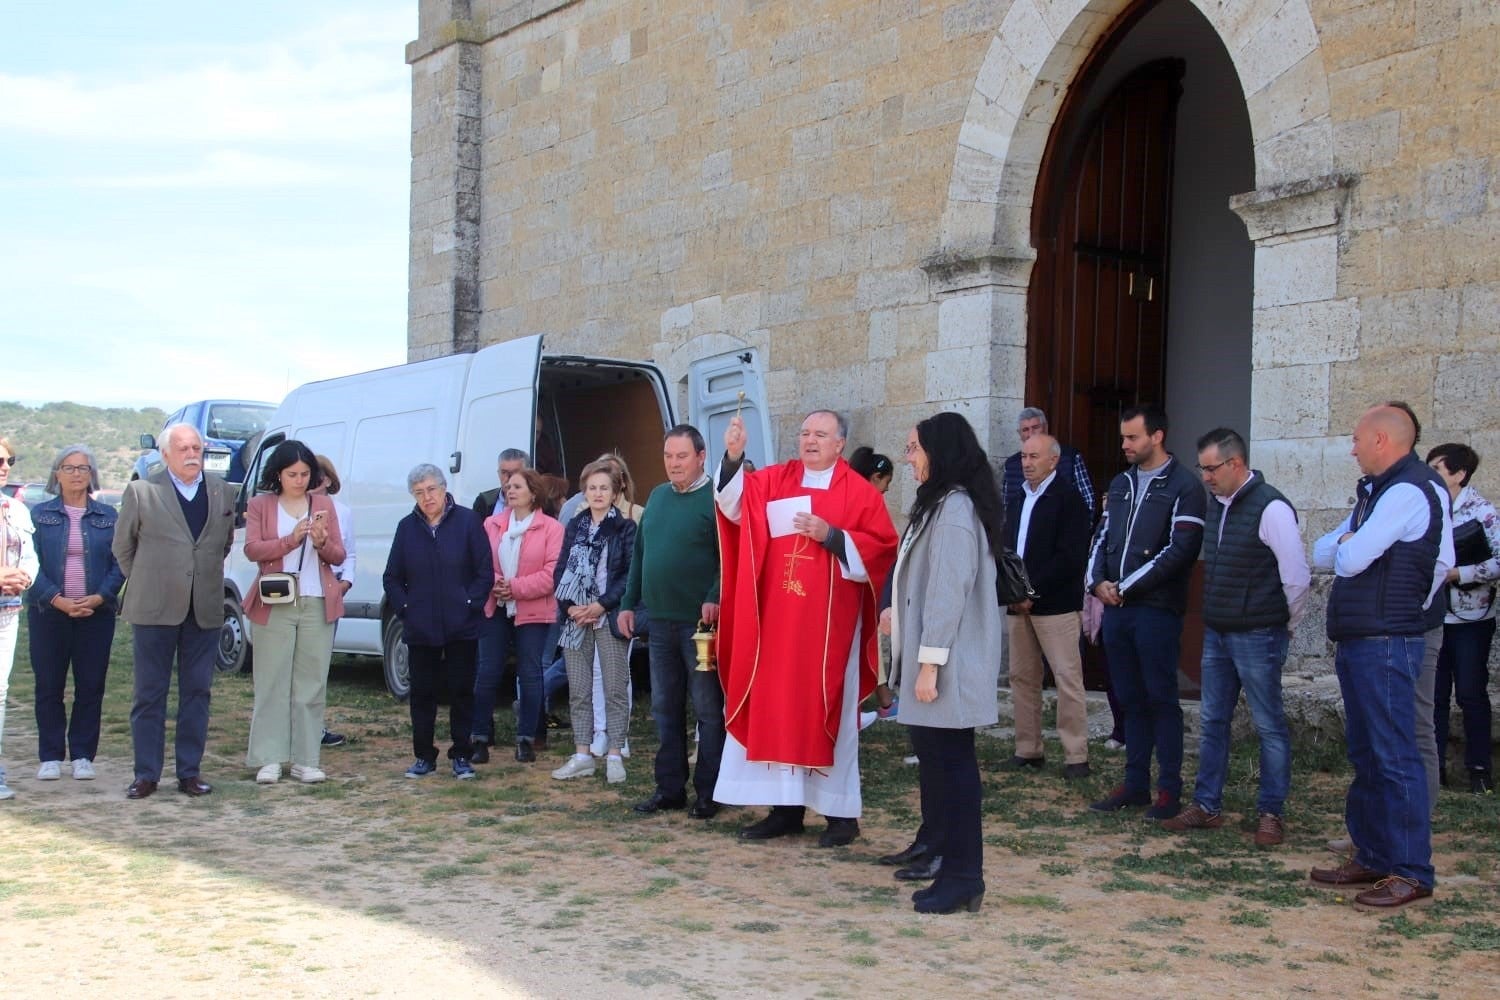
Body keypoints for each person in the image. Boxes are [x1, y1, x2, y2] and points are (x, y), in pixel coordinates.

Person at [714, 410, 897, 846]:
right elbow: (734, 505)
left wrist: (832, 535)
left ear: (840, 444)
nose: (809, 440)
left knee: (826, 711)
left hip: (829, 632)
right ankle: (786, 810)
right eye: (804, 433)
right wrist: (734, 457)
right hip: (778, 626)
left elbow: (882, 549)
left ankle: (840, 816)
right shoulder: (777, 479)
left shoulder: (859, 492)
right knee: (779, 711)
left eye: (820, 434)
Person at [1309, 405, 1443, 909]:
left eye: (1357, 439)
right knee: (1367, 754)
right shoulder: (1377, 493)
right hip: (1363, 637)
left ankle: (1412, 871)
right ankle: (1374, 856)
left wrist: (1350, 543)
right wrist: (1349, 541)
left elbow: (1348, 557)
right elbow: (1323, 551)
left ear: (1382, 440)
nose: (1352, 448)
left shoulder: (1408, 491)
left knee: (1394, 756)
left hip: (1388, 638)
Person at [1163, 429, 1309, 847]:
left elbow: (1296, 579)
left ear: (1236, 464)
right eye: (1201, 468)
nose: (1205, 477)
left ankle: (1271, 813)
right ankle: (1207, 806)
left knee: (1268, 725)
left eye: (1211, 468)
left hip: (1258, 634)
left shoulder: (1271, 507)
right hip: (1219, 632)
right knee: (1212, 721)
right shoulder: (1219, 505)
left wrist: (1285, 626)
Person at [882, 412, 1003, 914]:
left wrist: (928, 665)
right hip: (934, 659)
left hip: (944, 664)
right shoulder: (941, 504)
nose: (908, 458)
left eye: (915, 449)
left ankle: (963, 876)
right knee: (942, 768)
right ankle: (954, 871)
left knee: (953, 771)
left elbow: (948, 591)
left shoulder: (953, 508)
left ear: (940, 449)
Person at [1086, 404, 1204, 819]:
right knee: (1129, 698)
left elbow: (1181, 550)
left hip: (1156, 610)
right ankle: (1135, 783)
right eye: (1123, 438)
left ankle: (1168, 789)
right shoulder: (1119, 484)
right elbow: (1101, 536)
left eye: (1133, 437)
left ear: (1157, 436)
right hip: (1117, 609)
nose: (1125, 445)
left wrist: (1125, 587)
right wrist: (1096, 583)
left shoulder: (1185, 486)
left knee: (1160, 699)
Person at [113, 424, 236, 799]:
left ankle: (189, 773)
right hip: (154, 609)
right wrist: (150, 581)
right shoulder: (142, 490)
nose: (191, 453)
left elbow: (223, 545)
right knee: (150, 693)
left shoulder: (222, 491)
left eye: (196, 447)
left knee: (197, 692)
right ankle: (147, 774)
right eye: (182, 447)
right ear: (165, 454)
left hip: (204, 608)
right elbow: (123, 547)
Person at [620, 425, 725, 818]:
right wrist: (629, 603)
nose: (674, 464)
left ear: (701, 457)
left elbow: (727, 557)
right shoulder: (658, 497)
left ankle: (710, 792)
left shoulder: (715, 500)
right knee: (664, 708)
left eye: (682, 457)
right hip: (659, 622)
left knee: (707, 709)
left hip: (699, 628)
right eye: (668, 456)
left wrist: (714, 596)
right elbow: (640, 556)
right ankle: (669, 789)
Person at [241, 440, 347, 785]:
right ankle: (269, 758)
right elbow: (253, 549)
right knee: (271, 680)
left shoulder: (324, 504)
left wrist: (319, 541)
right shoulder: (260, 504)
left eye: (304, 474)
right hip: (276, 599)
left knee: (312, 682)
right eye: (292, 474)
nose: (299, 480)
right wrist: (291, 539)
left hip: (317, 599)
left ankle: (306, 759)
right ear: (278, 474)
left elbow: (339, 555)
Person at [383, 463, 492, 780]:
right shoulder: (406, 528)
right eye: (419, 493)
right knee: (422, 694)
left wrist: (470, 603)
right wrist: (406, 608)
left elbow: (484, 570)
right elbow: (392, 577)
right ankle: (424, 756)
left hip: (462, 625)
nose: (426, 497)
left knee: (461, 691)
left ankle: (461, 755)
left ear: (444, 489)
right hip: (420, 627)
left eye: (431, 489)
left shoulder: (469, 522)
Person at [28, 445, 124, 783]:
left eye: (83, 468)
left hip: (95, 614)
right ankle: (50, 756)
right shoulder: (38, 515)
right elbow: (29, 564)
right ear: (57, 474)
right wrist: (57, 599)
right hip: (49, 613)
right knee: (49, 685)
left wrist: (99, 597)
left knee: (91, 685)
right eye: (69, 468)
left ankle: (83, 754)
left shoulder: (109, 516)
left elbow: (120, 563)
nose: (77, 474)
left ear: (92, 475)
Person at [1002, 433, 1092, 780]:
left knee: (1067, 677)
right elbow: (1009, 549)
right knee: (1022, 677)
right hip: (1018, 604)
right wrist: (1013, 592)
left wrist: (1032, 591)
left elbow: (1069, 557)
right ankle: (1028, 749)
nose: (1027, 462)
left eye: (1034, 456)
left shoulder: (1069, 500)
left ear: (1053, 460)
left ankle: (1076, 755)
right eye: (1024, 456)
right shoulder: (1017, 497)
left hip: (1054, 605)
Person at [551, 460, 637, 783]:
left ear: (616, 492)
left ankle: (615, 753)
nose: (598, 493)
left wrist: (600, 605)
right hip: (575, 619)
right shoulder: (574, 526)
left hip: (608, 615)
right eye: (592, 488)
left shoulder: (626, 528)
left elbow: (628, 575)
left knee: (615, 687)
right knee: (579, 689)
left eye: (604, 487)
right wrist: (572, 606)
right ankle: (582, 753)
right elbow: (560, 569)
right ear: (584, 492)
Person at [473, 467, 563, 764]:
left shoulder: (551, 528)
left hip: (533, 609)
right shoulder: (491, 524)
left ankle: (527, 738)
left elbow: (552, 575)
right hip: (495, 606)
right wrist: (497, 584)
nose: (509, 491)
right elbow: (481, 562)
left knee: (530, 672)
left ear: (533, 493)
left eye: (517, 487)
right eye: (508, 486)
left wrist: (514, 588)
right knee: (487, 671)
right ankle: (480, 738)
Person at [1426, 442, 1498, 794]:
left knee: (1471, 694)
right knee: (1433, 696)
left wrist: (1460, 573)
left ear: (1459, 473)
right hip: (1435, 617)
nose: (1431, 476)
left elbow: (1499, 561)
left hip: (1472, 619)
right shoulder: (1426, 509)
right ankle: (1433, 769)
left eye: (1437, 469)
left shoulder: (1483, 512)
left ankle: (1479, 771)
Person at [0, 436, 38, 801]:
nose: (5, 466)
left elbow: (30, 556)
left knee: (0, 693)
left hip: (8, 612)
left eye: (9, 460)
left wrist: (24, 576)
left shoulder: (17, 509)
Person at [315, 454, 354, 748]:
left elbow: (349, 552)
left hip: (329, 591)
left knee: (318, 664)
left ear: (327, 480)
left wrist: (344, 584)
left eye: (312, 476)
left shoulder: (342, 511)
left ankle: (315, 726)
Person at [1001, 407, 1096, 520]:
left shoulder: (1070, 457)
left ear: (1045, 428)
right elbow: (1005, 507)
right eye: (1025, 430)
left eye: (1035, 427)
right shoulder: (1011, 465)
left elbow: (1087, 501)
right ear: (1019, 434)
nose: (1031, 434)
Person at [472, 448, 530, 520]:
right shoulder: (484, 501)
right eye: (504, 472)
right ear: (498, 473)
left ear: (528, 474)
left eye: (515, 472)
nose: (509, 478)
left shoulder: (539, 502)